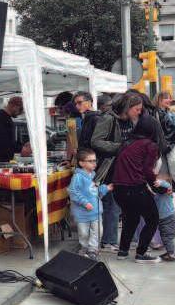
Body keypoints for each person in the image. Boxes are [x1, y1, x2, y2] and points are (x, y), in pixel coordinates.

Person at [91, 92, 144, 251]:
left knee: (129, 205)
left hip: (128, 167)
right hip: (112, 167)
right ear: (127, 107)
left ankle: (129, 240)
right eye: (136, 109)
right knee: (113, 206)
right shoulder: (108, 119)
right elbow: (96, 141)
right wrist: (121, 147)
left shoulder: (133, 120)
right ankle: (109, 241)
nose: (139, 112)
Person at [110, 115, 162, 263]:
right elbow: (147, 170)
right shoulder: (150, 145)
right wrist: (155, 184)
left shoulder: (127, 142)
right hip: (135, 187)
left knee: (130, 218)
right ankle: (141, 253)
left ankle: (123, 251)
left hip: (118, 188)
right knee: (152, 219)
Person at [68, 147, 109, 260]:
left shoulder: (94, 175)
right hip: (82, 213)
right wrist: (85, 202)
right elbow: (73, 192)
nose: (94, 163)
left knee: (98, 231)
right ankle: (84, 248)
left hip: (95, 211)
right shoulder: (78, 177)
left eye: (95, 160)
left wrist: (105, 188)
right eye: (90, 161)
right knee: (84, 233)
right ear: (81, 163)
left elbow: (96, 191)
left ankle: (92, 249)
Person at [0, 96, 27, 163]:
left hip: (2, 160)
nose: (21, 112)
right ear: (14, 106)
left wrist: (22, 146)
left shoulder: (4, 117)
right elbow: (3, 141)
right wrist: (21, 148)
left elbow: (9, 139)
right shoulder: (0, 118)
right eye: (21, 109)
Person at [154, 177, 175, 262]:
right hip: (164, 220)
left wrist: (160, 182)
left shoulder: (167, 192)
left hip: (169, 219)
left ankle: (171, 254)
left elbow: (168, 186)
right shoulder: (157, 194)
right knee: (165, 237)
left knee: (166, 238)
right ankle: (169, 252)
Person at [65, 91, 93, 159]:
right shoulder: (78, 120)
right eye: (75, 104)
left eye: (80, 102)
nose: (77, 106)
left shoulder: (71, 122)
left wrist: (69, 159)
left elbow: (72, 145)